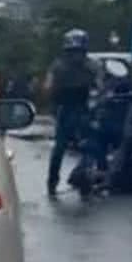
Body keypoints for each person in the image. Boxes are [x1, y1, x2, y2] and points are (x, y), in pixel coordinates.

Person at [45, 30, 102, 197]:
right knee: (59, 148)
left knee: (90, 145)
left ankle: (85, 177)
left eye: (78, 51)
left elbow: (100, 86)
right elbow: (48, 87)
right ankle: (52, 181)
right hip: (66, 109)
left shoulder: (92, 66)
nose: (75, 56)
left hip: (85, 109)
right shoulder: (58, 67)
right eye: (72, 52)